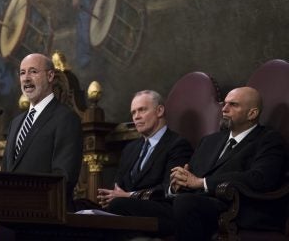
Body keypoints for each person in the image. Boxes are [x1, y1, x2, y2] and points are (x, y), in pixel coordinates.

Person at [107, 87, 286, 240]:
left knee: (185, 204)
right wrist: (178, 183)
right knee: (119, 205)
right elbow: (189, 177)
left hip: (234, 207)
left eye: (233, 105)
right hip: (191, 204)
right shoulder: (210, 141)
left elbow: (260, 178)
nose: (224, 109)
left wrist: (202, 183)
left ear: (252, 113)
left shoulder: (268, 139)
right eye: (224, 104)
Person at [1, 53, 83, 211]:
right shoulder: (16, 123)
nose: (26, 78)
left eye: (33, 71)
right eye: (22, 73)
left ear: (50, 75)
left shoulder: (66, 119)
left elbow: (63, 177)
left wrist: (25, 201)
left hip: (45, 214)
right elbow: (6, 172)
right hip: (10, 214)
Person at [97, 90, 193, 219]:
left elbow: (169, 188)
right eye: (133, 112)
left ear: (159, 111)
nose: (136, 117)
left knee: (118, 205)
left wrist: (129, 196)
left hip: (160, 209)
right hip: (126, 207)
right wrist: (109, 196)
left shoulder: (177, 145)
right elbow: (118, 186)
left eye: (142, 110)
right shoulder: (130, 149)